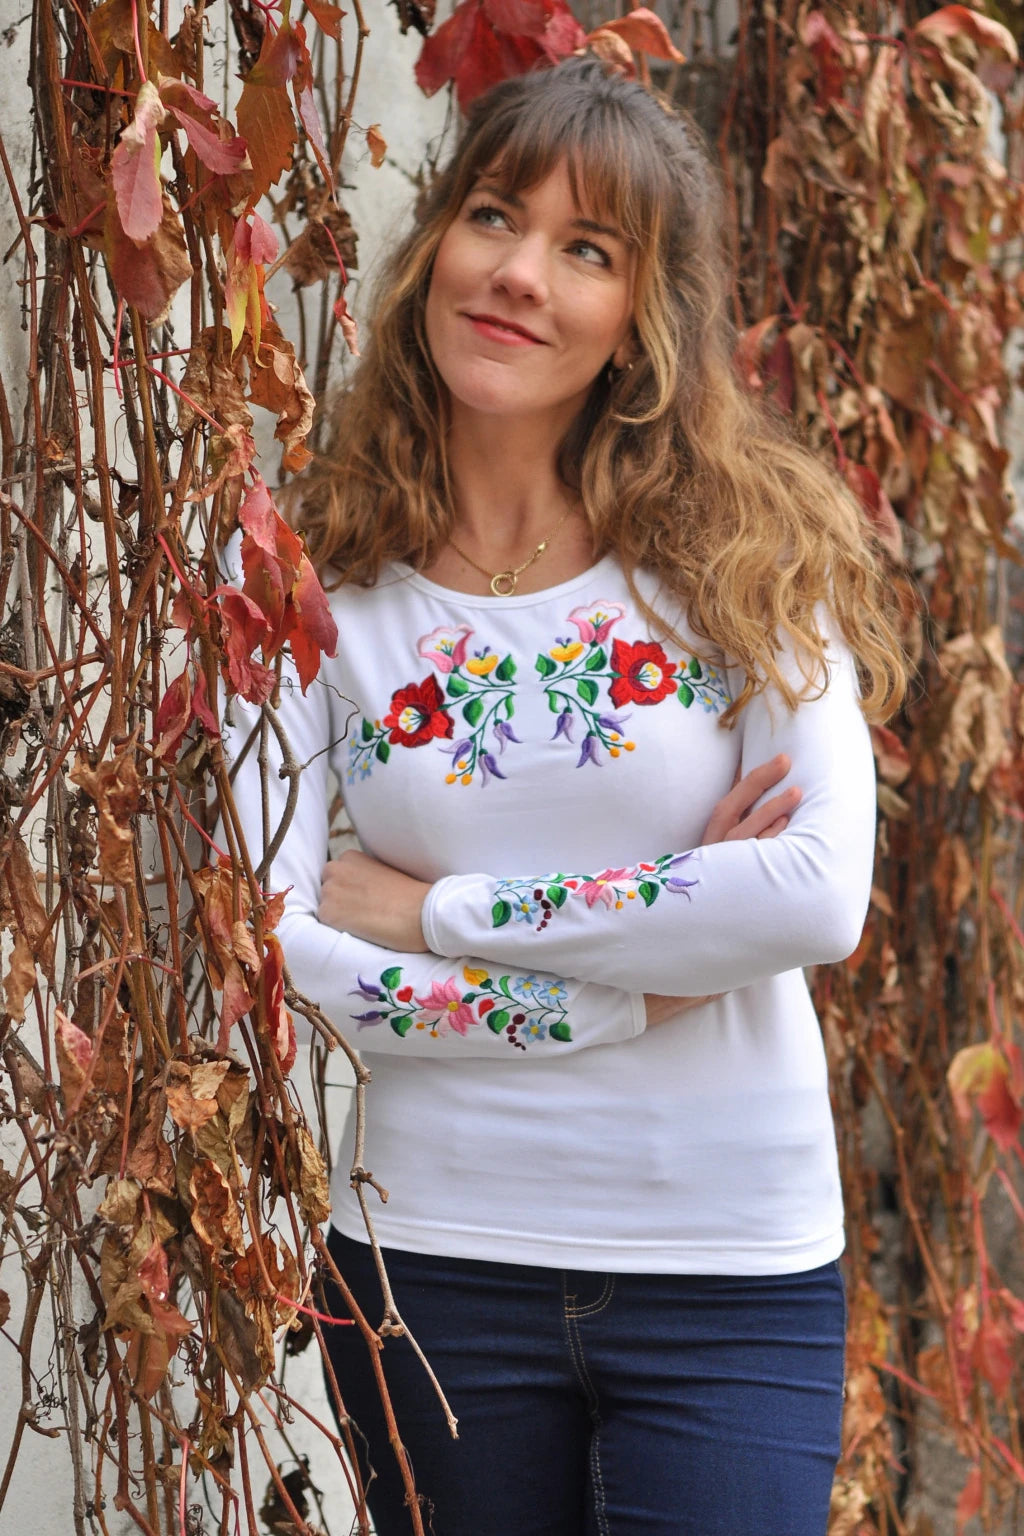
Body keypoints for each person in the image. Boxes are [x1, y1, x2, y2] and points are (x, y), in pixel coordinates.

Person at [222, 56, 905, 1536]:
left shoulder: (746, 558)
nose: (522, 275)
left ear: (637, 321)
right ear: (434, 250)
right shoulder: (314, 580)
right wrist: (626, 984)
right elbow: (282, 944)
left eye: (587, 251)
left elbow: (809, 894)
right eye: (493, 218)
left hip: (728, 1265)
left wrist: (443, 913)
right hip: (430, 1268)